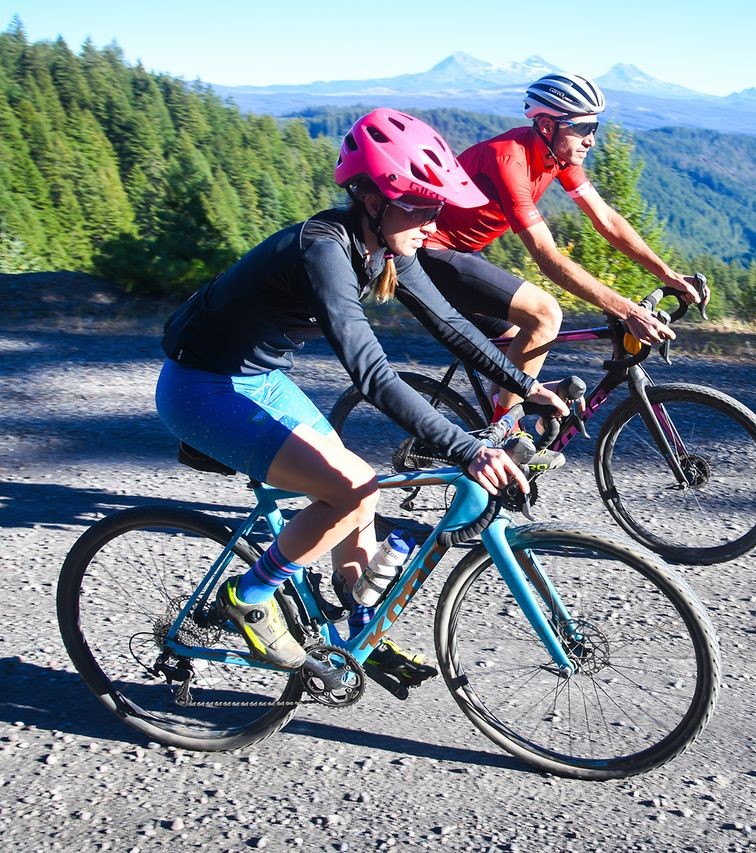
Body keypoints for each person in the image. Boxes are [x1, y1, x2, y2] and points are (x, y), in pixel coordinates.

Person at [155, 108, 568, 674]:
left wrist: (525, 385)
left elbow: (449, 325)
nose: (434, 222)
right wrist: (467, 449)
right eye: (423, 207)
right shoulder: (323, 249)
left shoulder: (390, 247)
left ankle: (358, 630)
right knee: (352, 487)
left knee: (364, 492)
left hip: (261, 381)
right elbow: (372, 376)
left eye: (438, 208)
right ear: (375, 200)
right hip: (203, 389)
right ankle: (247, 598)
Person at [419, 72, 706, 424]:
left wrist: (667, 274)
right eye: (583, 129)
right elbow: (549, 258)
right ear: (545, 125)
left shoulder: (558, 158)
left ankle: (517, 409)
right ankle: (503, 439)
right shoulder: (509, 160)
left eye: (595, 128)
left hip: (464, 253)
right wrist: (628, 310)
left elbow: (607, 220)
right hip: (432, 252)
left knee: (517, 351)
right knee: (545, 315)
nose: (591, 141)